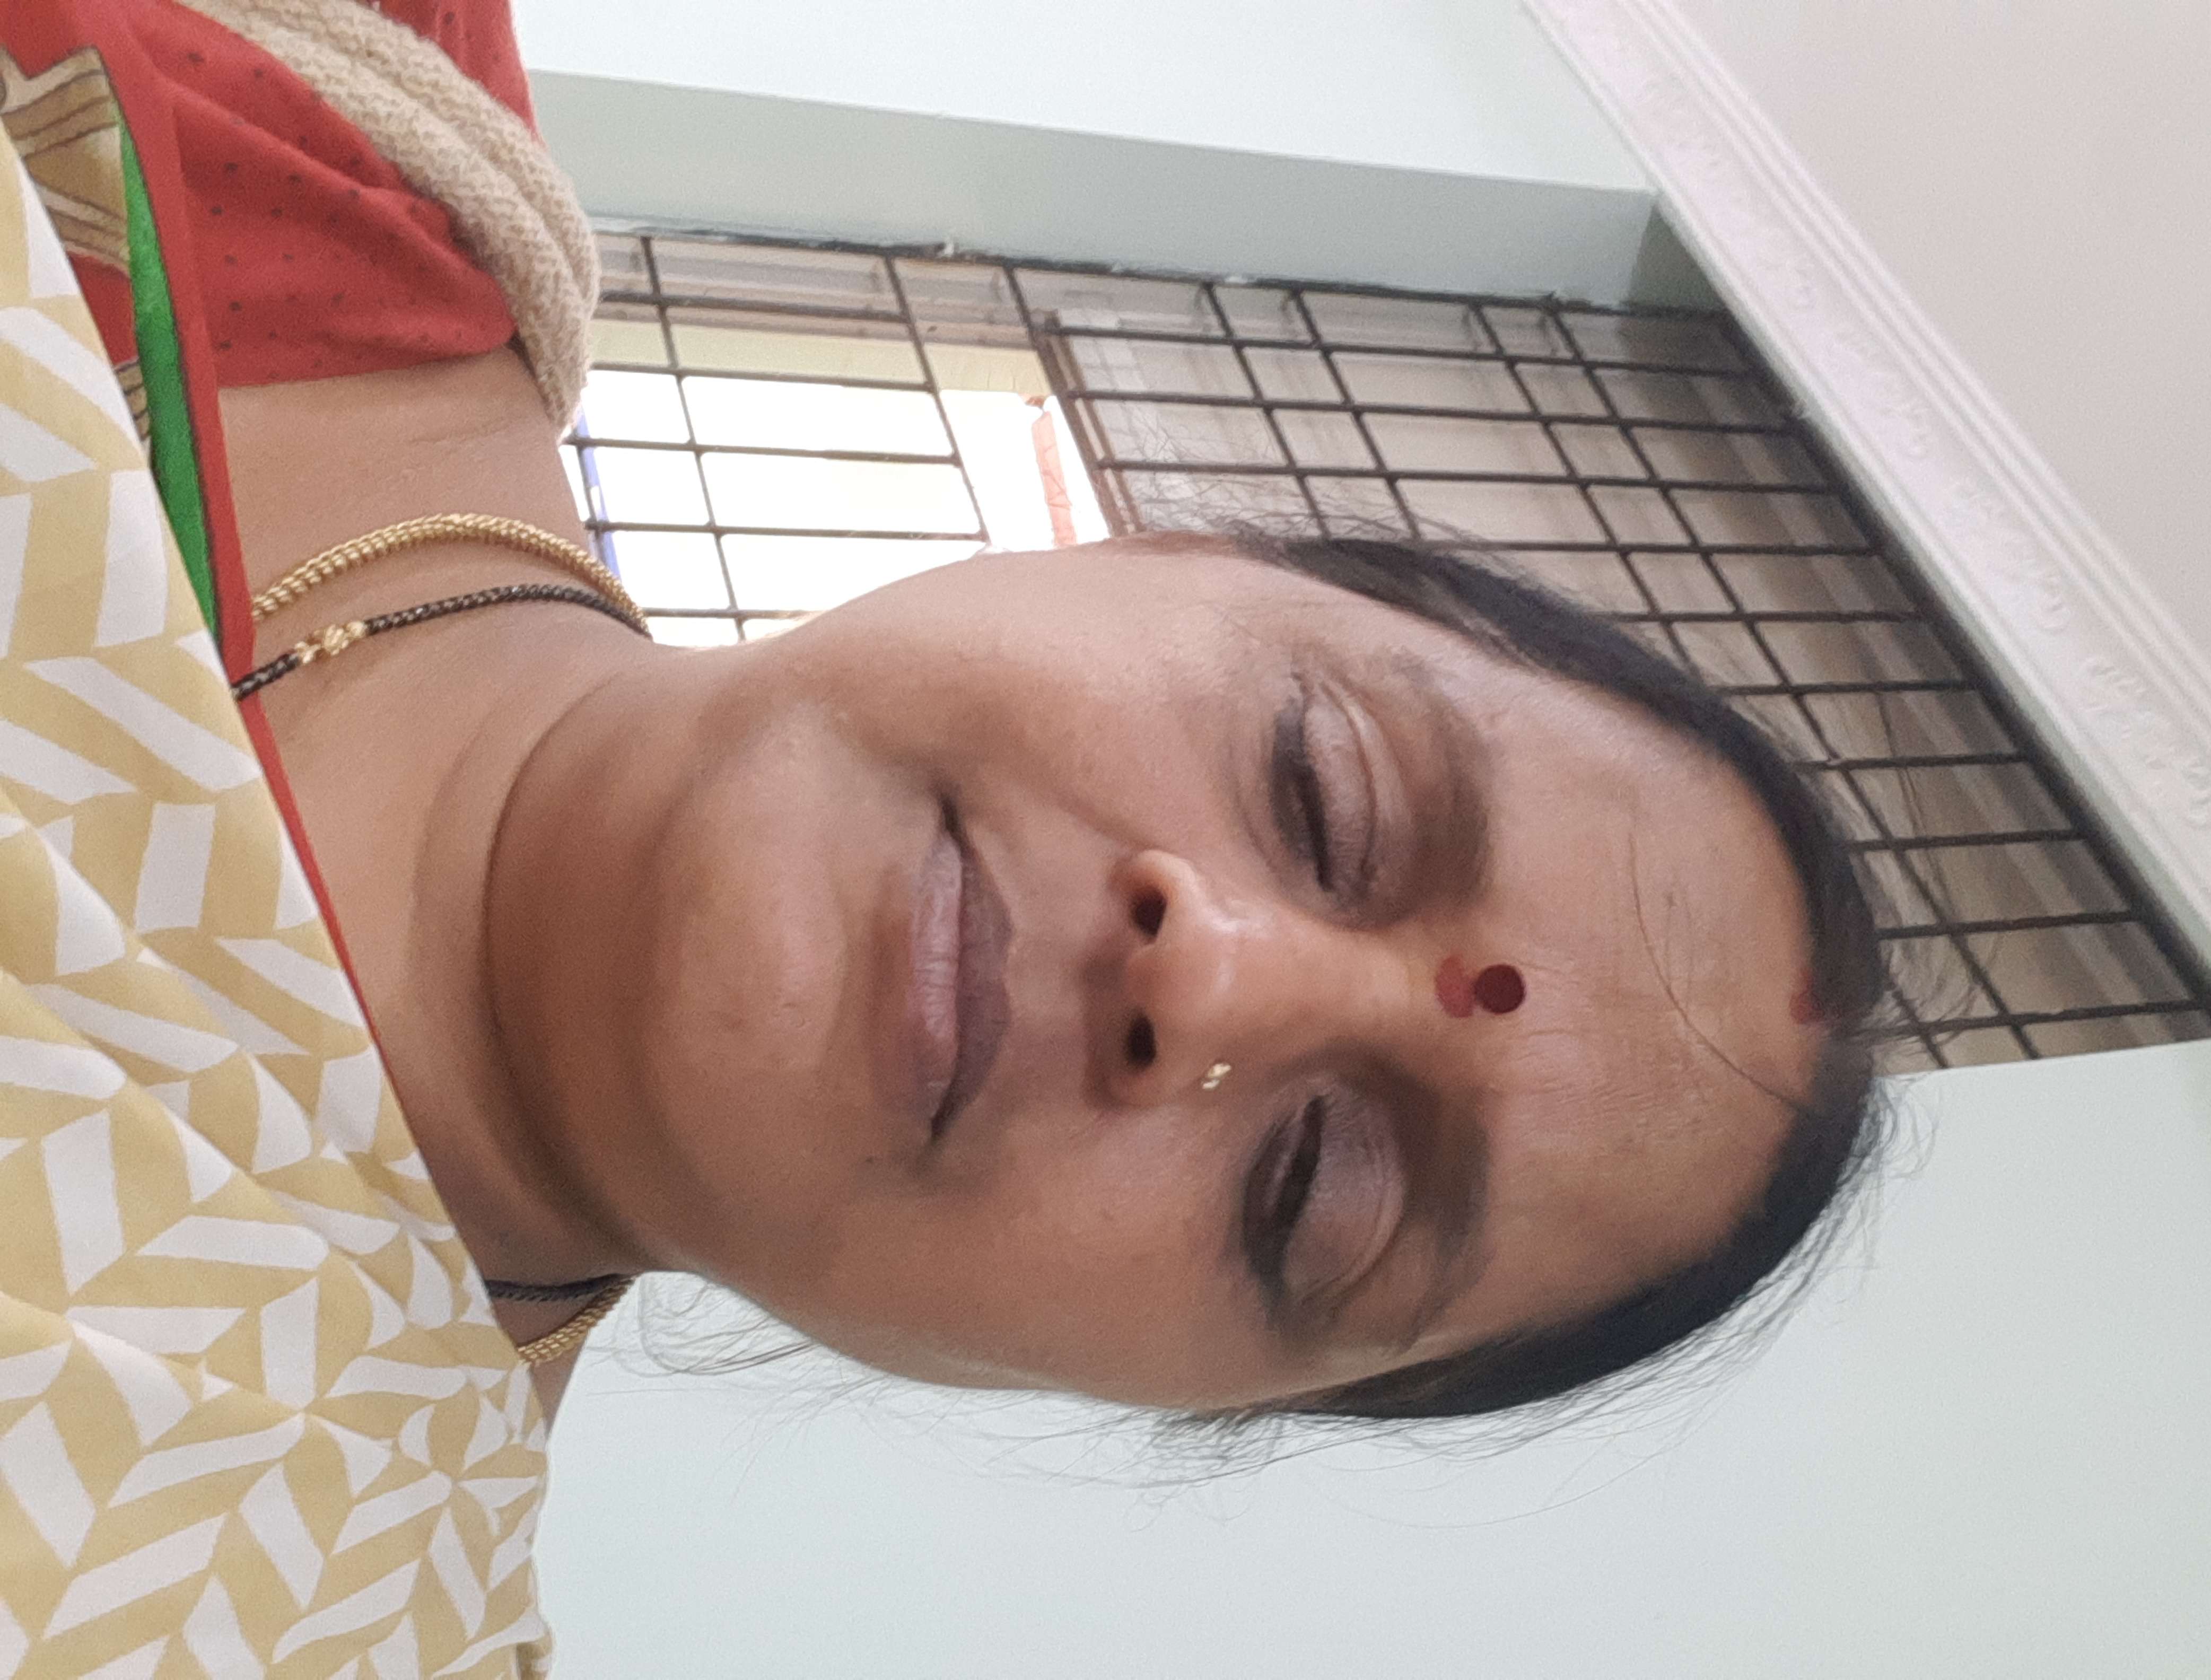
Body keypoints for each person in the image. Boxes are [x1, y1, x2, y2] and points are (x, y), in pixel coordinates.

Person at [0, 0, 1887, 1672]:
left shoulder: (284, 1608)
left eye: (1316, 1187)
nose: (1213, 976)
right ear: (1166, 551)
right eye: (1322, 792)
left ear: (1153, 1399)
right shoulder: (339, 87)